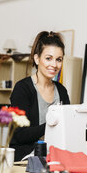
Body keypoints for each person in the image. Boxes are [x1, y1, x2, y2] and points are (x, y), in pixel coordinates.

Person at [9, 31, 70, 161]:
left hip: (55, 155)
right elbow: (19, 135)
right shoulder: (23, 89)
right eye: (48, 58)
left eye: (58, 60)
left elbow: (68, 127)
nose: (54, 65)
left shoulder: (61, 91)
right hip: (27, 156)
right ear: (37, 59)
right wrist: (50, 125)